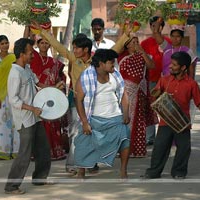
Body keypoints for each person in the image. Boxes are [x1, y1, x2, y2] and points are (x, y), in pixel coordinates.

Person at [31, 21, 131, 175]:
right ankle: (74, 165)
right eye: (74, 48)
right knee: (76, 133)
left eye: (77, 48)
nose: (74, 50)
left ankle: (90, 162)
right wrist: (43, 33)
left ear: (85, 50)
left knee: (95, 132)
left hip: (95, 103)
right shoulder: (73, 59)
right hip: (77, 101)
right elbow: (59, 47)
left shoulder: (97, 61)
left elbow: (114, 50)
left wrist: (126, 35)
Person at [4, 38, 63, 195]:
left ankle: (40, 178)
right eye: (30, 52)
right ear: (22, 54)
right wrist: (32, 109)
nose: (33, 54)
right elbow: (13, 100)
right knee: (25, 152)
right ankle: (11, 186)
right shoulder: (15, 73)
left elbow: (39, 85)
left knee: (43, 148)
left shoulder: (27, 69)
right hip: (24, 119)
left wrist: (54, 88)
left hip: (35, 117)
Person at [144, 51, 200, 179]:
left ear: (183, 68)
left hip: (182, 122)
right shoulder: (164, 80)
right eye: (171, 64)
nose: (170, 66)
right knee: (160, 148)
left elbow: (199, 101)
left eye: (174, 65)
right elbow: (156, 94)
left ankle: (179, 172)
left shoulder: (192, 84)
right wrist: (155, 93)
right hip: (165, 121)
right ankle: (153, 172)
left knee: (183, 148)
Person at [75, 49, 130, 179]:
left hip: (115, 117)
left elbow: (123, 95)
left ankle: (123, 170)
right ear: (101, 63)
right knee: (83, 144)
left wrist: (126, 113)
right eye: (111, 62)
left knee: (125, 139)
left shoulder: (115, 75)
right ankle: (81, 171)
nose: (114, 65)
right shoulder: (85, 76)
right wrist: (84, 122)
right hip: (93, 118)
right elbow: (78, 100)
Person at [23, 27, 67, 160]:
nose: (44, 45)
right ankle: (37, 153)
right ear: (37, 44)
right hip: (36, 96)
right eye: (41, 42)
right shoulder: (33, 57)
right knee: (39, 124)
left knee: (52, 121)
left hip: (51, 95)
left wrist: (59, 86)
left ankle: (54, 151)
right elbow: (25, 41)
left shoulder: (55, 62)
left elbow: (61, 78)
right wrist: (28, 27)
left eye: (47, 43)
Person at [118, 36, 157, 157]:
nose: (136, 44)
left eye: (137, 42)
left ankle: (137, 150)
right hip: (126, 93)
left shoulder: (142, 56)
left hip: (139, 92)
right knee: (125, 120)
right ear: (127, 45)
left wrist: (143, 52)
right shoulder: (122, 58)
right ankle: (124, 150)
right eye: (133, 42)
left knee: (138, 119)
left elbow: (151, 66)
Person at [140, 16, 171, 145]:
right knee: (151, 109)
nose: (154, 28)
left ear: (162, 27)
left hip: (165, 81)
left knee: (165, 109)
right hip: (150, 81)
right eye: (152, 26)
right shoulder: (145, 44)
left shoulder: (168, 42)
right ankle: (150, 138)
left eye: (157, 26)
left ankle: (166, 137)